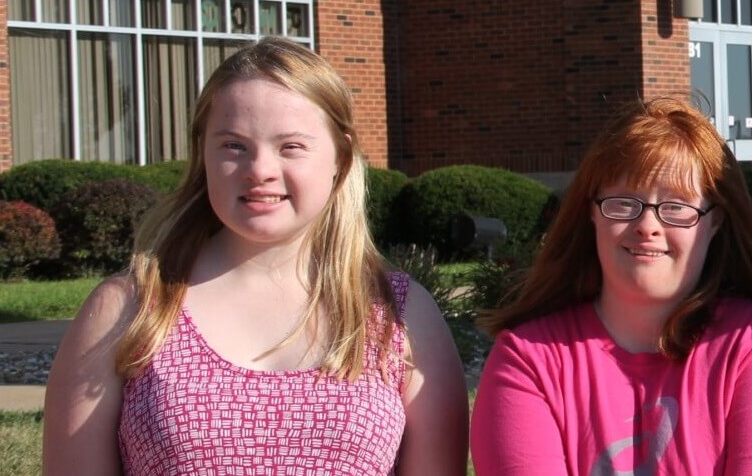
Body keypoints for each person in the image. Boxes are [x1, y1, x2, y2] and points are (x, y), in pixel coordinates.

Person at [42, 36, 469, 474]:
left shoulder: (399, 316)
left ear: (340, 157)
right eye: (233, 145)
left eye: (291, 147)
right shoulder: (128, 311)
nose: (260, 170)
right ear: (202, 152)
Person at [470, 98, 752, 475]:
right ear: (592, 212)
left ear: (715, 222)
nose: (648, 225)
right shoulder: (528, 359)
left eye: (677, 206)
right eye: (624, 202)